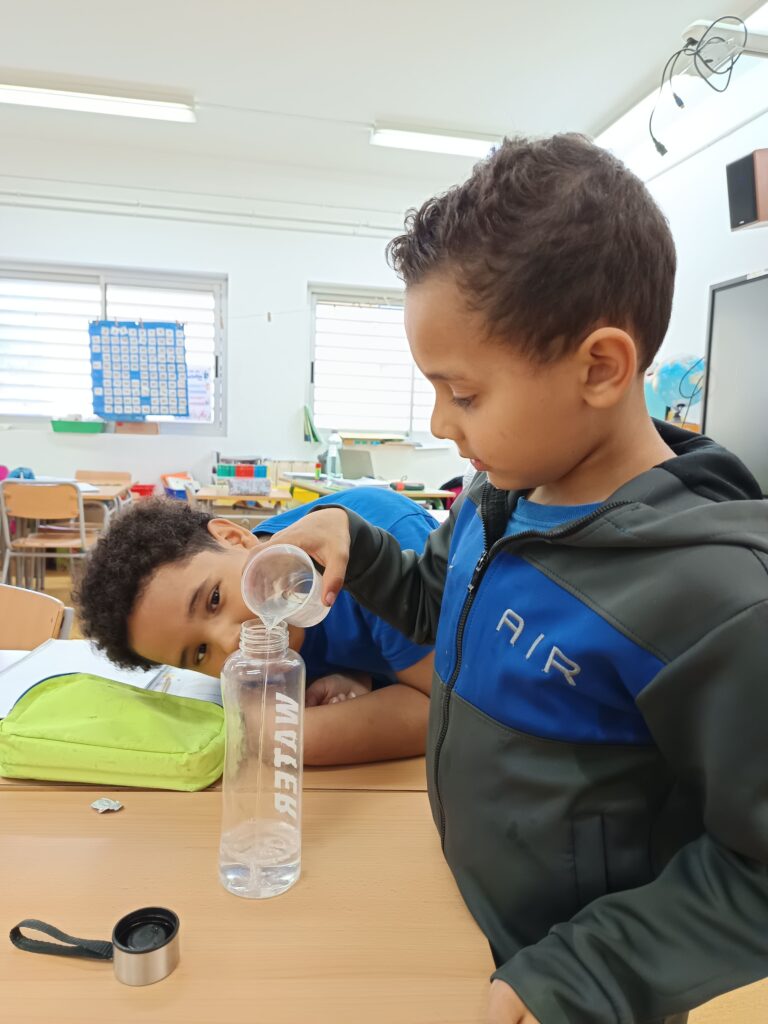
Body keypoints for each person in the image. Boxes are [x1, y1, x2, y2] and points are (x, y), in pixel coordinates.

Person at [260, 135, 768, 1024]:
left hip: (582, 988)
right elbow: (436, 605)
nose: (439, 423)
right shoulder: (499, 499)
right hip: (478, 932)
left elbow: (755, 868)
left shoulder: (716, 600)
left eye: (463, 393)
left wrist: (588, 975)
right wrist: (357, 541)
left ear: (600, 368)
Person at [75, 487, 436, 766]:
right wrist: (364, 681)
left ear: (234, 538)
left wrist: (298, 737)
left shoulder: (375, 549)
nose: (229, 641)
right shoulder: (262, 645)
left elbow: (448, 710)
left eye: (214, 599)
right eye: (200, 653)